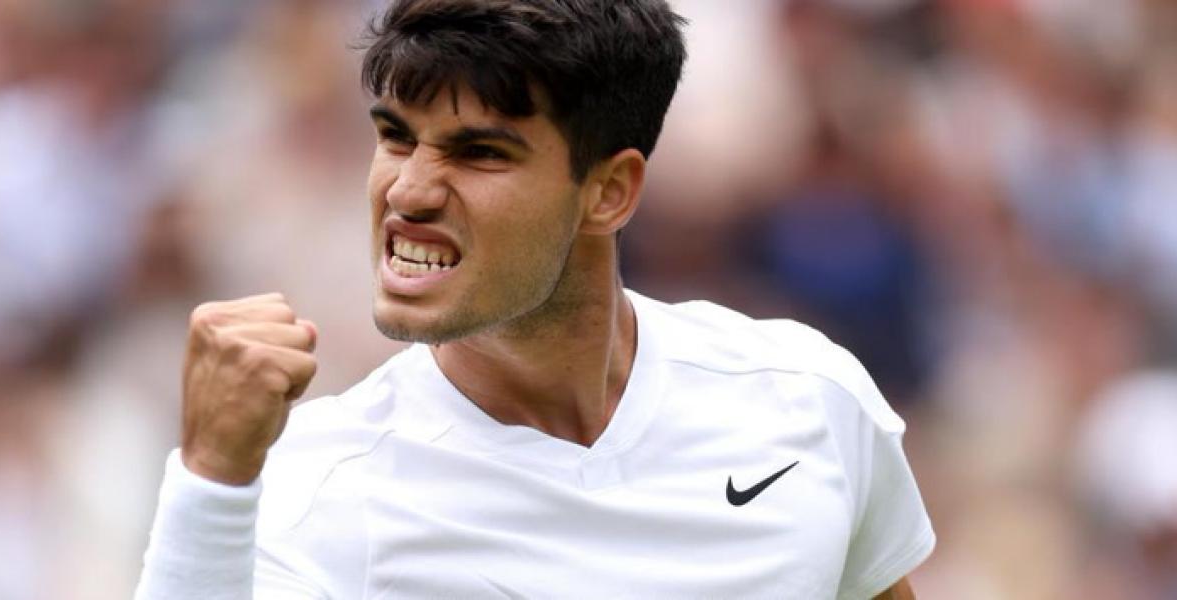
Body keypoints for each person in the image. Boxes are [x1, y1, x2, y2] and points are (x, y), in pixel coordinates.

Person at [134, 1, 934, 598]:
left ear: (609, 192)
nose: (408, 190)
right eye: (395, 136)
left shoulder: (808, 398)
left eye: (478, 152)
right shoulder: (314, 493)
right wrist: (211, 481)